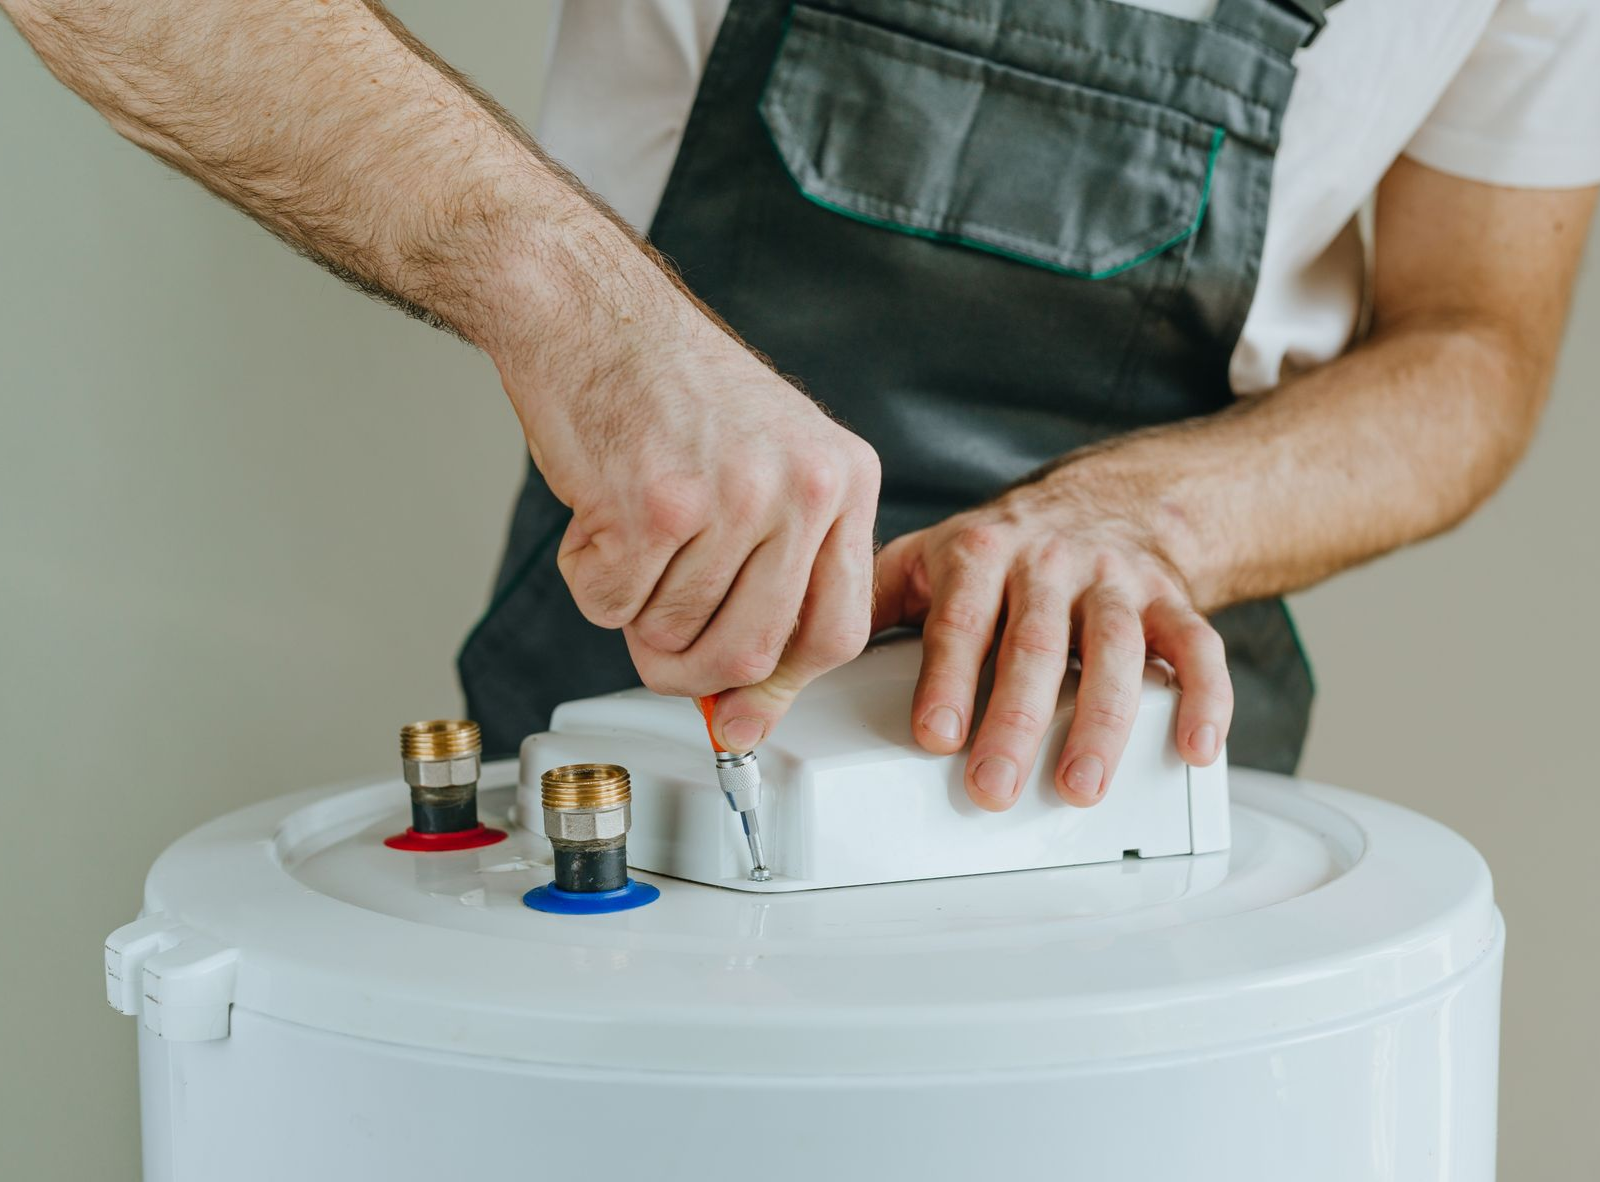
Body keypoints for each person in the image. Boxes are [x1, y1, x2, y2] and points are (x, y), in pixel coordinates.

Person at [6, 0, 1595, 812]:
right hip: (629, 735)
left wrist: (1144, 520)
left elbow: (1476, 339)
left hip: (1136, 789)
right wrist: (581, 307)